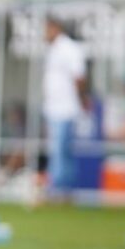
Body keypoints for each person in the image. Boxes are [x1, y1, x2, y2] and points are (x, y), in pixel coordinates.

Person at [42, 16, 88, 201]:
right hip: (53, 108)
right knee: (62, 151)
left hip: (65, 108)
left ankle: (58, 190)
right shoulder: (53, 50)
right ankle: (65, 191)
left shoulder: (69, 48)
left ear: (55, 28)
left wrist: (81, 99)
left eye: (47, 29)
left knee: (60, 150)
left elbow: (79, 77)